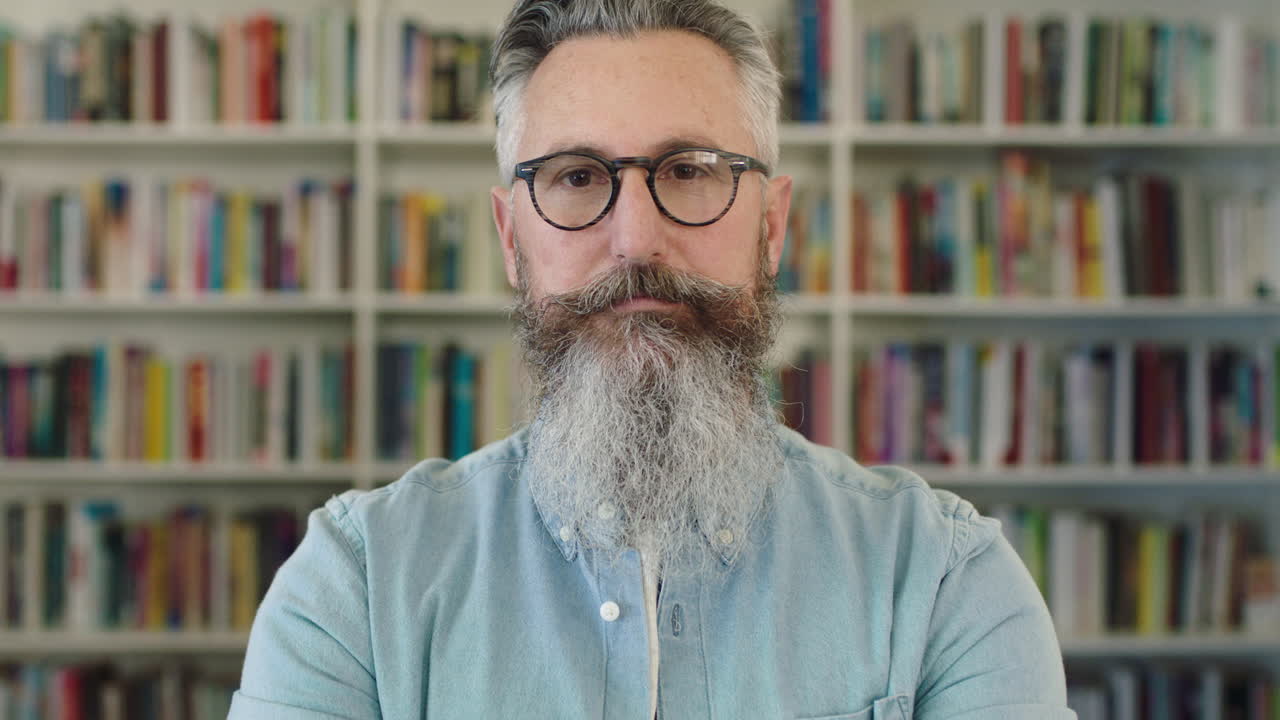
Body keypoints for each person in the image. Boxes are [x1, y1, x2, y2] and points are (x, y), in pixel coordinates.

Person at [228, 1, 1076, 718]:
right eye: (575, 178)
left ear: (772, 226)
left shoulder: (940, 586)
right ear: (510, 240)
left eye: (691, 170)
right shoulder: (356, 590)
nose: (635, 238)